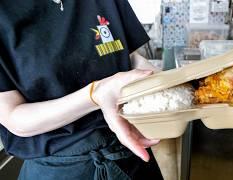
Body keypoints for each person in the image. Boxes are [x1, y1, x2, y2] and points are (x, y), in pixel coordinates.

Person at [0, 0, 163, 179]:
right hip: (59, 169)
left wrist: (162, 82)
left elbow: (130, 58)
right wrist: (95, 95)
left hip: (131, 153)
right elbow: (14, 117)